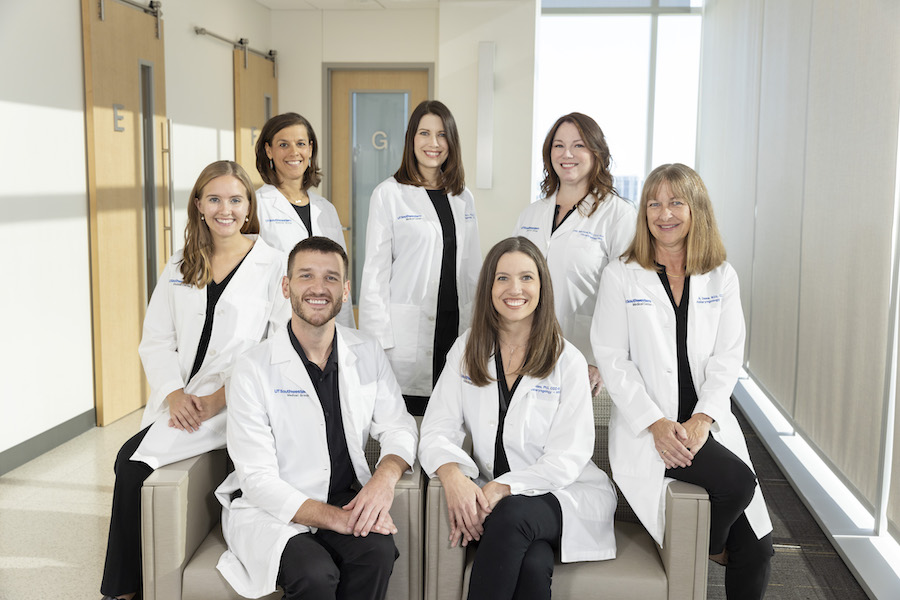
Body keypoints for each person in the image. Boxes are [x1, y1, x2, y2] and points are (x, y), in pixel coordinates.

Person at [100, 160, 287, 600]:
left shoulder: (274, 264)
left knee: (131, 464)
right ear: (199, 205)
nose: (226, 209)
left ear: (249, 207)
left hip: (236, 402)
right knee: (129, 464)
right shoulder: (179, 264)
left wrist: (222, 398)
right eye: (215, 199)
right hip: (182, 400)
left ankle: (122, 589)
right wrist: (173, 393)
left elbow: (277, 348)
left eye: (236, 200)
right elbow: (156, 339)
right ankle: (128, 585)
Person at [591, 164, 773, 599]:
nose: (664, 213)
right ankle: (708, 546)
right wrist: (655, 423)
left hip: (705, 424)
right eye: (654, 204)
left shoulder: (720, 275)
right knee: (737, 483)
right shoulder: (621, 274)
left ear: (696, 209)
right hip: (651, 429)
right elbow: (613, 359)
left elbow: (728, 356)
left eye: (676, 202)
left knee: (758, 550)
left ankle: (708, 544)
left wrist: (704, 418)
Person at [215, 236, 418, 600]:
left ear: (345, 290)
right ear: (286, 286)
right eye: (306, 275)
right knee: (315, 575)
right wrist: (337, 519)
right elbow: (258, 478)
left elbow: (398, 426)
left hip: (343, 497)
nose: (319, 288)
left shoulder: (367, 351)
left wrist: (383, 480)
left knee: (377, 552)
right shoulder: (252, 368)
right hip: (273, 509)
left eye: (331, 278)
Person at [419, 237, 617, 600]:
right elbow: (435, 429)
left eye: (527, 278)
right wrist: (452, 476)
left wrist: (502, 488)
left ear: (542, 287)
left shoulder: (567, 360)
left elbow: (568, 457)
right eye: (503, 278)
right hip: (502, 505)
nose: (515, 289)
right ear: (488, 287)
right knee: (533, 564)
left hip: (562, 494)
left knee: (512, 515)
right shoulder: (466, 349)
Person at [359, 100, 481, 416]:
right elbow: (374, 274)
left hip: (455, 326)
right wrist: (375, 341)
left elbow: (473, 269)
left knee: (451, 418)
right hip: (407, 333)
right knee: (409, 423)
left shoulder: (463, 196)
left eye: (442, 135)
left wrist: (479, 329)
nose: (433, 143)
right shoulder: (389, 194)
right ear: (411, 139)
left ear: (451, 142)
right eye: (424, 133)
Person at [514, 112, 635, 396]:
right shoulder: (531, 214)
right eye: (558, 145)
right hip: (526, 351)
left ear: (596, 152)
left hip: (585, 356)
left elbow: (627, 297)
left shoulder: (618, 215)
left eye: (578, 145)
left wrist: (599, 361)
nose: (567, 154)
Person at [256, 111, 355, 327]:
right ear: (268, 150)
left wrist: (347, 331)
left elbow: (340, 274)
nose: (294, 152)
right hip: (277, 326)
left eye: (300, 144)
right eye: (283, 145)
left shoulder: (326, 209)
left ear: (310, 149)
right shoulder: (257, 206)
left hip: (326, 325)